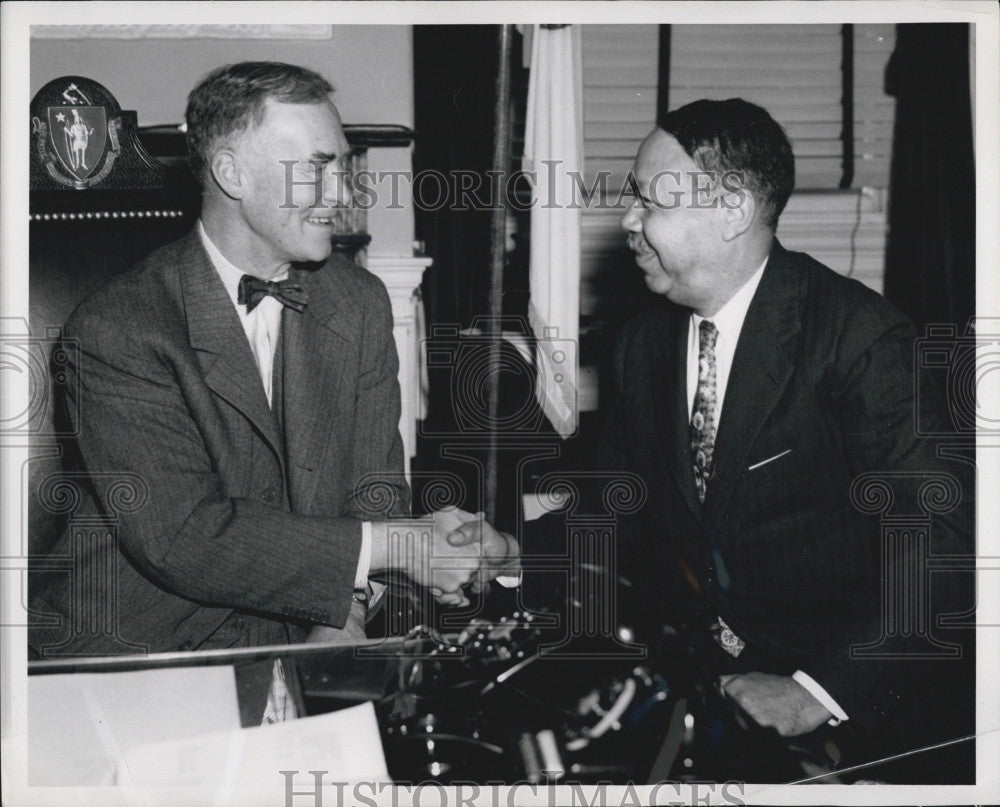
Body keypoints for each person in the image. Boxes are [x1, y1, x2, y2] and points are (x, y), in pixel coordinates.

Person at [28, 61, 517, 658]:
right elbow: (186, 538)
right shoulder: (117, 329)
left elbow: (375, 492)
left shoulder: (357, 302)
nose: (343, 195)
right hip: (137, 651)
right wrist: (399, 548)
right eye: (318, 168)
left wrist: (349, 610)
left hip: (301, 631)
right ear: (232, 173)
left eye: (342, 165)